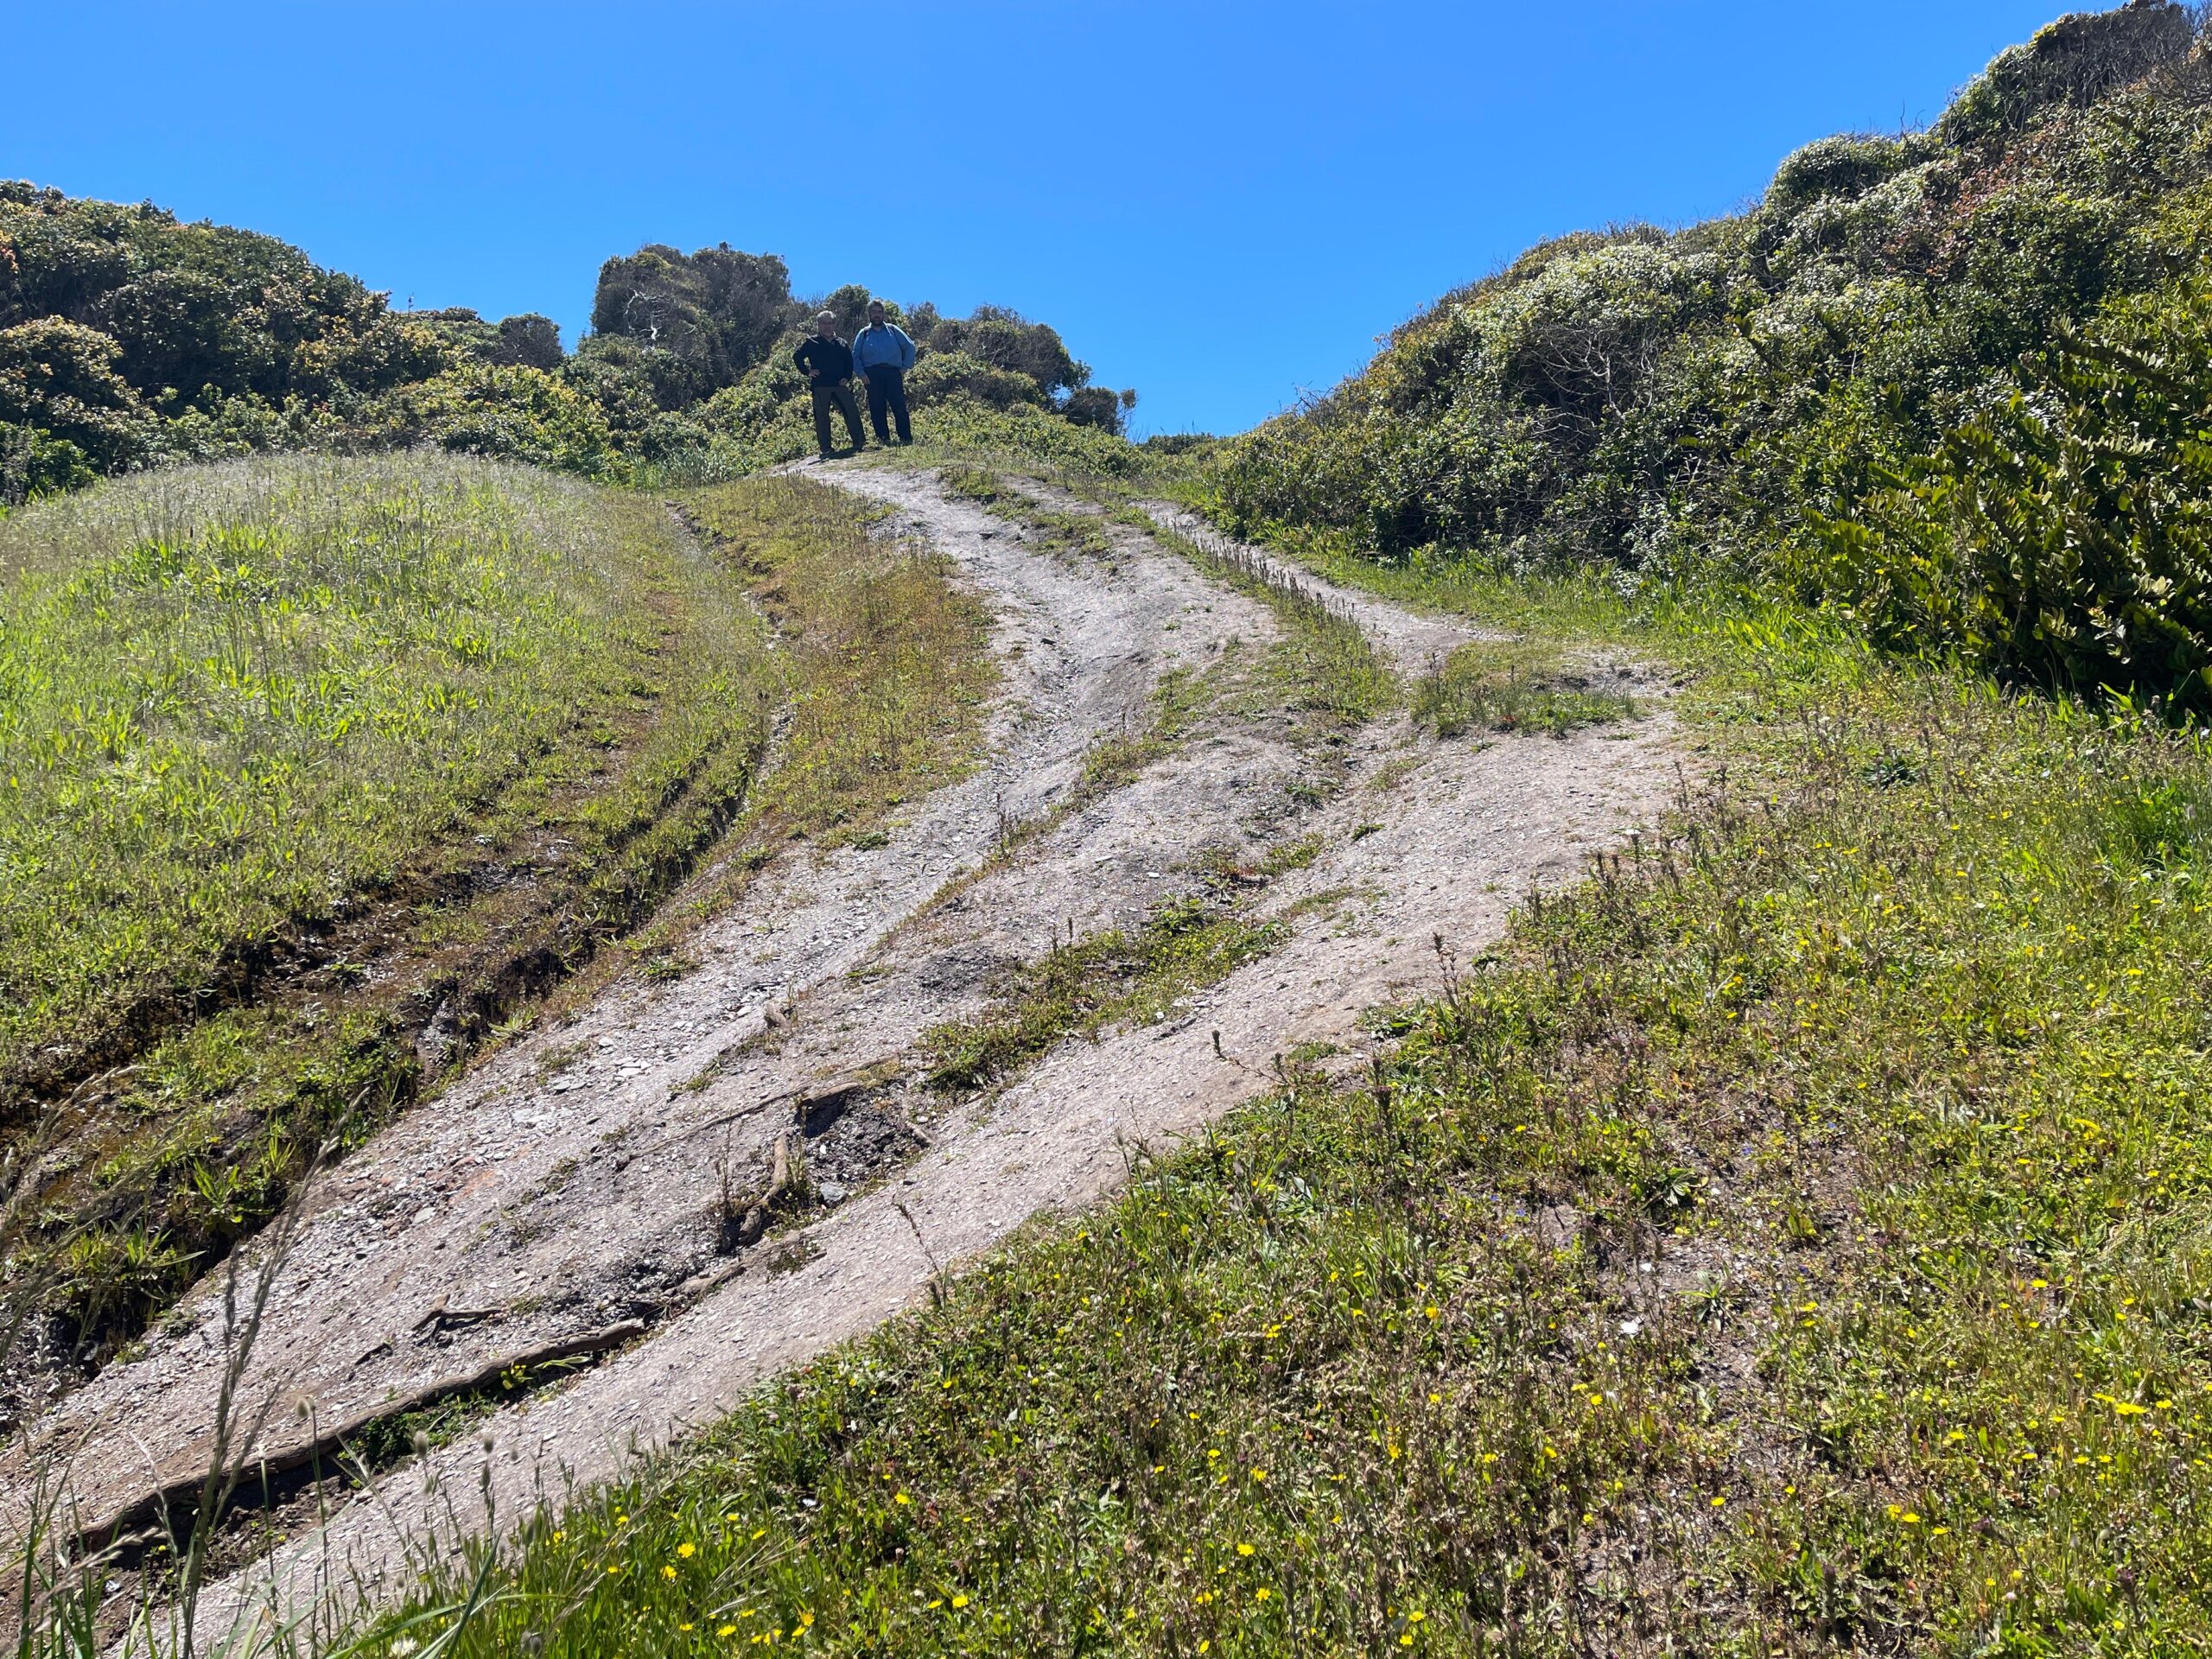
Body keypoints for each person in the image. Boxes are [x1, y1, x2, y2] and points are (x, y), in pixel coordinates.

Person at [793, 311, 865, 459]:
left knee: (851, 412)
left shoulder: (841, 343)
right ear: (818, 325)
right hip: (820, 386)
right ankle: (826, 449)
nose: (827, 326)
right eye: (824, 323)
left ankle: (859, 443)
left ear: (834, 324)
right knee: (822, 417)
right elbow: (797, 356)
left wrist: (847, 377)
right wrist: (807, 372)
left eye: (830, 323)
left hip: (839, 385)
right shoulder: (811, 342)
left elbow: (849, 362)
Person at [852, 300, 917, 446]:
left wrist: (905, 367)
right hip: (872, 375)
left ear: (883, 314)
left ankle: (906, 438)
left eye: (879, 312)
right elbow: (855, 356)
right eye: (874, 312)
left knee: (899, 406)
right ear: (869, 314)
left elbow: (910, 346)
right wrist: (861, 374)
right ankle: (883, 439)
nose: (877, 315)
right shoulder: (864, 333)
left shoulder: (893, 330)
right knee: (877, 407)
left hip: (893, 373)